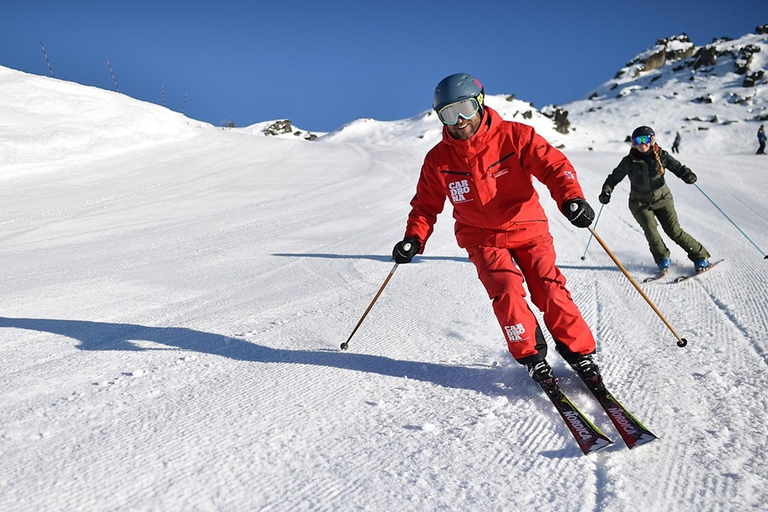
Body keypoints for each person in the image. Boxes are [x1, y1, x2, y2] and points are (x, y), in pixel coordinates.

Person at [392, 72, 600, 386]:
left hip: (527, 227)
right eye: (448, 114)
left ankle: (579, 353)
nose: (459, 120)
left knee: (549, 289)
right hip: (481, 237)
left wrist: (571, 197)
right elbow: (424, 205)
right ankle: (531, 356)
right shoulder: (438, 160)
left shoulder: (516, 136)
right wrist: (414, 237)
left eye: (464, 109)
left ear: (479, 103)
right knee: (506, 293)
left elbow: (554, 166)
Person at [599, 125, 711, 274]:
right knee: (651, 230)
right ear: (633, 143)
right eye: (638, 141)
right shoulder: (628, 161)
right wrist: (606, 192)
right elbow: (614, 178)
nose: (642, 144)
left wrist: (687, 175)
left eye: (645, 139)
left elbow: (677, 167)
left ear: (652, 140)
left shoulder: (662, 155)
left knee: (674, 231)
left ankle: (700, 256)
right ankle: (662, 258)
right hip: (639, 203)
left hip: (663, 198)